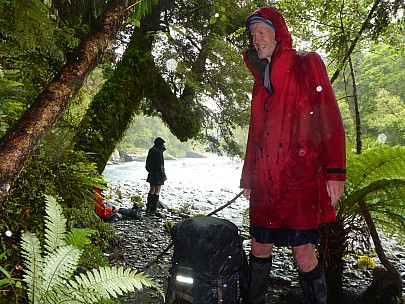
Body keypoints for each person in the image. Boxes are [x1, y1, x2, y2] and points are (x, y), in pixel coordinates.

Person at [239, 7, 346, 304]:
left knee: (303, 252)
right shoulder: (260, 82)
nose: (256, 39)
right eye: (253, 34)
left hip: (300, 178)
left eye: (262, 32)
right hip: (265, 180)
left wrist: (335, 173)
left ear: (278, 35)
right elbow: (255, 134)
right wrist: (248, 178)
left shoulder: (306, 64)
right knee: (259, 245)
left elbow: (329, 118)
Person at [145, 137, 167, 215]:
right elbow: (160, 165)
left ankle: (148, 208)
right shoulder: (159, 152)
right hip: (158, 173)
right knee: (157, 190)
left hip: (152, 173)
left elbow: (147, 164)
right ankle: (153, 209)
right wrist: (163, 175)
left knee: (151, 189)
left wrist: (150, 171)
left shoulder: (151, 150)